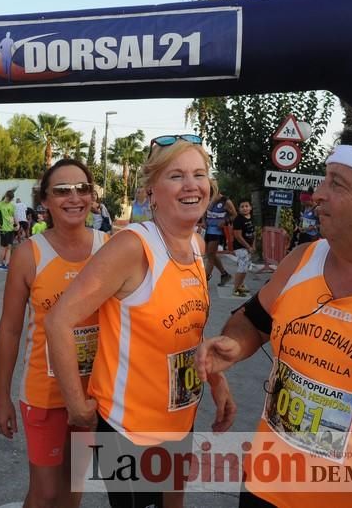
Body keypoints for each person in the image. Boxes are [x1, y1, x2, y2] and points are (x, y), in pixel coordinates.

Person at [195, 128, 352, 508]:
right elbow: (253, 320)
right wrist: (235, 344)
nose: (318, 194)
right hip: (265, 488)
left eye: (338, 184)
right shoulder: (303, 259)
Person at [45, 136, 236, 508]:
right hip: (129, 426)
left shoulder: (196, 245)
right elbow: (58, 321)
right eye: (176, 176)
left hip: (180, 414)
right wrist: (77, 405)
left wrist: (217, 379)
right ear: (152, 191)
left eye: (199, 175)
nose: (191, 185)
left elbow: (187, 330)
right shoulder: (132, 247)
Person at [0, 159, 108, 508]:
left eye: (82, 189)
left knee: (72, 492)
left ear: (92, 197)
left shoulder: (112, 247)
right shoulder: (29, 254)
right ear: (44, 200)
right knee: (44, 494)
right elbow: (11, 329)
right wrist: (2, 397)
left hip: (94, 394)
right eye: (61, 190)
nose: (73, 197)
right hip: (44, 393)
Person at [204, 187, 237, 286]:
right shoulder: (207, 200)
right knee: (211, 255)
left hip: (217, 232)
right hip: (208, 230)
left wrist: (225, 221)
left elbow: (234, 215)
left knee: (210, 256)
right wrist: (203, 221)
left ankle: (204, 281)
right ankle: (224, 274)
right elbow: (204, 212)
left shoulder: (225, 201)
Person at [231, 199, 256, 297]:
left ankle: (240, 285)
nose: (245, 208)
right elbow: (238, 236)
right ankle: (236, 288)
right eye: (242, 206)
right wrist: (248, 247)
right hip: (240, 247)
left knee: (245, 267)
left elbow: (254, 233)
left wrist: (253, 246)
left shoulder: (251, 218)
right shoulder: (238, 219)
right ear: (239, 209)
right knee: (242, 267)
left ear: (250, 207)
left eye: (246, 206)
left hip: (248, 247)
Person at [0, 189, 17, 270]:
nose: (9, 201)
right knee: (4, 247)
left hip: (11, 229)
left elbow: (13, 216)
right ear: (6, 196)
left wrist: (17, 224)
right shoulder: (0, 205)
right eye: (9, 199)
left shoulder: (12, 205)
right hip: (4, 229)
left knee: (9, 247)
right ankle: (0, 264)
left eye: (11, 200)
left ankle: (6, 264)